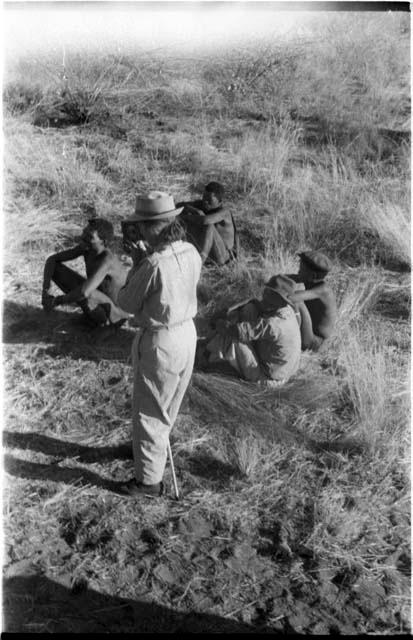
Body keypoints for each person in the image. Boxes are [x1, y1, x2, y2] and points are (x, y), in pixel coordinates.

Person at [117, 191, 202, 498]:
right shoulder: (191, 251)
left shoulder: (152, 263)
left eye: (141, 225)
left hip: (161, 341)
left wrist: (137, 264)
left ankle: (148, 482)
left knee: (150, 410)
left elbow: (126, 302)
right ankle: (148, 453)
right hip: (186, 334)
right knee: (168, 404)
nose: (137, 230)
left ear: (154, 226)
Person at [202, 275, 301, 385]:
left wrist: (218, 322)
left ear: (280, 299)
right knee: (250, 309)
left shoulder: (274, 324)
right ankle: (211, 350)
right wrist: (229, 310)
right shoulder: (286, 310)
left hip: (268, 379)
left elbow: (235, 331)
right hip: (282, 370)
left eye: (270, 293)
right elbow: (253, 302)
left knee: (233, 338)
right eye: (267, 290)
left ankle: (205, 356)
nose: (265, 294)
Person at [41, 217, 132, 327]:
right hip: (98, 298)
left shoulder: (107, 260)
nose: (83, 237)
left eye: (89, 237)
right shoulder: (86, 248)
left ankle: (105, 325)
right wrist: (45, 291)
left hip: (116, 313)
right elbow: (52, 260)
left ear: (103, 242)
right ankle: (93, 317)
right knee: (56, 268)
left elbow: (85, 292)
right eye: (84, 232)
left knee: (87, 293)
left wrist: (56, 301)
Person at [177, 182, 238, 265]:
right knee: (187, 217)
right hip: (211, 252)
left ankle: (200, 262)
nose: (205, 201)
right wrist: (193, 210)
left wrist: (189, 216)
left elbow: (206, 220)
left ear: (220, 201)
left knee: (208, 225)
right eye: (204, 197)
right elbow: (179, 205)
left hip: (223, 256)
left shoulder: (225, 212)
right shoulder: (202, 204)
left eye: (209, 200)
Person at [287, 250, 337, 351]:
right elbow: (290, 278)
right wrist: (277, 279)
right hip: (310, 334)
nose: (298, 272)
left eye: (301, 269)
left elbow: (291, 297)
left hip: (315, 343)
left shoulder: (323, 290)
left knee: (297, 302)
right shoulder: (310, 280)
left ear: (313, 276)